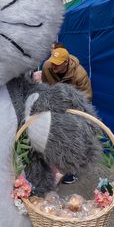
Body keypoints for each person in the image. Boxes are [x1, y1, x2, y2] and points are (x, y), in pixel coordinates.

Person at [41, 46, 92, 184]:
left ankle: (70, 172)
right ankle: (51, 169)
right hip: (54, 108)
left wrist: (70, 107)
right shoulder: (47, 67)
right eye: (52, 62)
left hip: (73, 109)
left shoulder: (80, 74)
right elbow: (45, 87)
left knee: (71, 140)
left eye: (57, 64)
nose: (53, 66)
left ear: (66, 63)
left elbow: (87, 97)